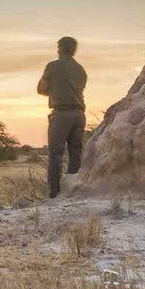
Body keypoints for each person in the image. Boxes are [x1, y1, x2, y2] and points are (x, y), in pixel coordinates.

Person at [38, 36, 87, 198]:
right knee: (75, 153)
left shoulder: (53, 66)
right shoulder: (81, 70)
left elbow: (41, 88)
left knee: (55, 153)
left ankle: (53, 192)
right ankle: (73, 190)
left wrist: (54, 91)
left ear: (60, 49)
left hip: (61, 114)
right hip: (79, 115)